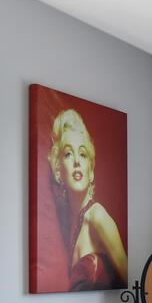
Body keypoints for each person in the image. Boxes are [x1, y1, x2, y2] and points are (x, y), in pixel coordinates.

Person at [47, 108, 127, 290]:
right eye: (68, 154)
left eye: (82, 154)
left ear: (90, 172)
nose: (77, 161)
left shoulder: (97, 216)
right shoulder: (70, 226)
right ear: (59, 172)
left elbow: (132, 279)